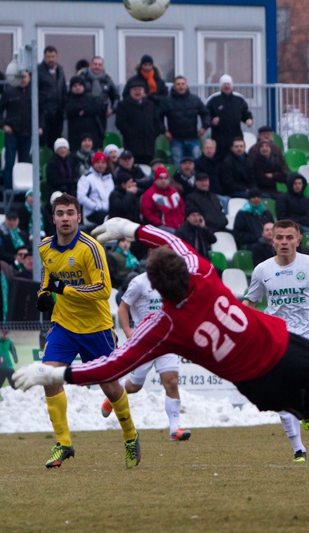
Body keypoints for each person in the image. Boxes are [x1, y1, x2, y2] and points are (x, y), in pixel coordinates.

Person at [14, 217, 309, 518]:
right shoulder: (203, 271)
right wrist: (131, 227)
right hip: (288, 348)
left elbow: (112, 364)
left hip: (259, 384)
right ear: (185, 270)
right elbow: (171, 241)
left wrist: (53, 374)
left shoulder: (163, 325)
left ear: (155, 287)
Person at [31, 194, 141, 469]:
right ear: (53, 218)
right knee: (49, 375)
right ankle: (64, 443)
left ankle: (130, 436)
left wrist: (63, 289)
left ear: (79, 217)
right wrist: (44, 293)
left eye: (70, 213)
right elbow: (48, 275)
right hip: (64, 325)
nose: (65, 218)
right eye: (60, 213)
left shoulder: (91, 248)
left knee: (110, 385)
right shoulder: (45, 247)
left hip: (96, 328)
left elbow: (103, 291)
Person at [242, 219, 309, 461]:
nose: (284, 242)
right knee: (279, 393)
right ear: (273, 241)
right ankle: (298, 448)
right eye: (279, 237)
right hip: (277, 338)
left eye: (289, 237)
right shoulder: (262, 270)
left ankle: (308, 407)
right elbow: (250, 302)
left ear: (298, 240)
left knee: (308, 386)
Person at [102, 271, 192, 441]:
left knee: (171, 382)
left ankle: (175, 429)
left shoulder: (170, 280)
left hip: (167, 340)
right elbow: (123, 307)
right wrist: (129, 332)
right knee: (135, 386)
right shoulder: (138, 282)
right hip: (144, 341)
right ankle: (112, 395)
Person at [0, 70, 39, 191]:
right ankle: (8, 189)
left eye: (25, 76)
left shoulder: (33, 93)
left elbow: (41, 111)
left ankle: (24, 193)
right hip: (12, 133)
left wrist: (39, 126)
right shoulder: (9, 92)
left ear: (29, 78)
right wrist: (3, 126)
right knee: (10, 162)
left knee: (24, 164)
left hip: (27, 133)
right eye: (20, 77)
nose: (23, 79)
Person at [163, 76, 211, 165]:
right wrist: (164, 131)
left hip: (193, 139)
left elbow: (206, 114)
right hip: (175, 140)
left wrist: (204, 127)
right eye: (178, 84)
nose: (181, 86)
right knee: (177, 167)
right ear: (174, 87)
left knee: (196, 165)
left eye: (183, 84)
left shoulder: (195, 99)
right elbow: (158, 117)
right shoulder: (167, 101)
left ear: (186, 86)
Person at [206, 75, 253, 162]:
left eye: (228, 83)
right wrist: (212, 121)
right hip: (219, 137)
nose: (226, 86)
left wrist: (248, 119)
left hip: (236, 136)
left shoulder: (239, 99)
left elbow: (245, 113)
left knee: (237, 159)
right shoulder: (214, 99)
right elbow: (206, 115)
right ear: (220, 85)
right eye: (224, 84)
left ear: (232, 85)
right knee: (220, 161)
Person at [115, 80, 163, 165]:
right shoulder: (124, 105)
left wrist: (153, 133)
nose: (137, 92)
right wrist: (130, 133)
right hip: (132, 145)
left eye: (140, 89)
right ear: (130, 91)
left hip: (148, 146)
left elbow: (157, 122)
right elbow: (120, 123)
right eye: (135, 89)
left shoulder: (150, 105)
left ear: (143, 92)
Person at [78, 56, 119, 133]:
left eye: (100, 65)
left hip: (101, 116)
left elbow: (116, 96)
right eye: (95, 64)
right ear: (90, 65)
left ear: (103, 67)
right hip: (85, 116)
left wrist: (112, 109)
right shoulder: (82, 78)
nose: (97, 67)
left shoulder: (107, 80)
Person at [38, 45, 67, 149]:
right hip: (44, 113)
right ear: (44, 57)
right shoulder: (38, 71)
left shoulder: (60, 70)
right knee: (42, 141)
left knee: (55, 141)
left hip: (58, 112)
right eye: (48, 56)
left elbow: (63, 89)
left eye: (53, 56)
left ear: (57, 57)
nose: (50, 59)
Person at [64, 76, 104, 152]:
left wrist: (83, 112)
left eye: (80, 85)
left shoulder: (91, 98)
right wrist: (85, 109)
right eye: (75, 86)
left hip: (91, 135)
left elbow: (97, 109)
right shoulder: (68, 99)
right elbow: (69, 110)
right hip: (75, 137)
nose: (78, 88)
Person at [140, 167, 185, 232]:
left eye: (165, 178)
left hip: (178, 226)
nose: (163, 181)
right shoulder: (149, 195)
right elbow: (147, 213)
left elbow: (181, 207)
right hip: (161, 228)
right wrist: (160, 223)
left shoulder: (174, 192)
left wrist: (181, 221)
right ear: (155, 180)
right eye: (160, 178)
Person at [76, 152, 114, 225]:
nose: (100, 165)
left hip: (109, 210)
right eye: (98, 162)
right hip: (93, 212)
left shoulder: (108, 177)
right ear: (93, 164)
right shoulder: (86, 178)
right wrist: (95, 206)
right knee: (109, 221)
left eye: (103, 163)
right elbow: (81, 197)